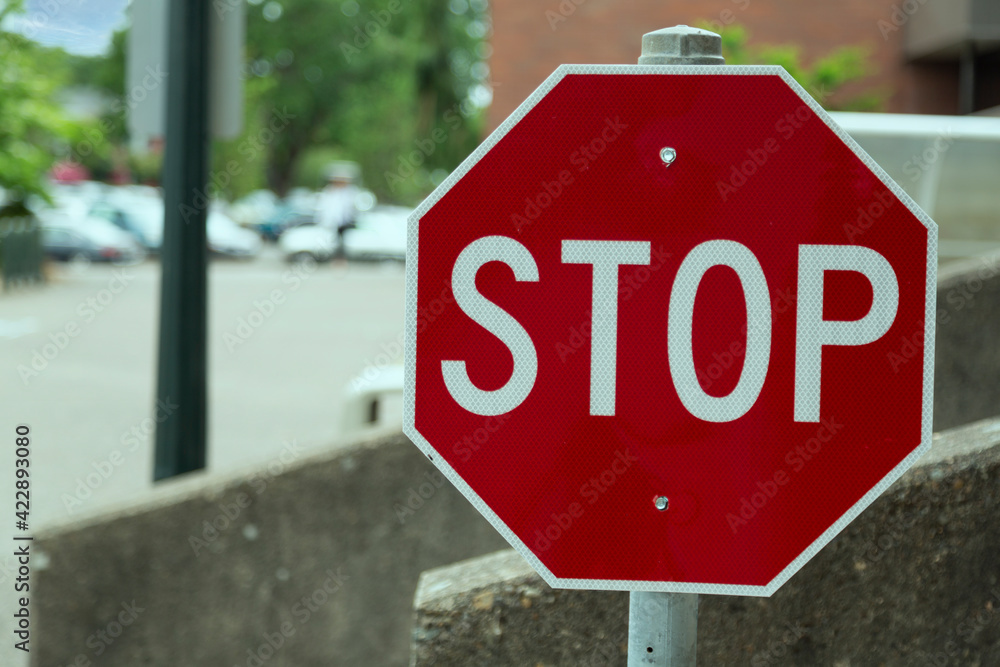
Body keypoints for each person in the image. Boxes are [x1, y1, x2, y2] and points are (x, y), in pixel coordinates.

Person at [316, 164, 360, 258]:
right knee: (331, 242)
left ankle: (341, 259)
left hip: (345, 223)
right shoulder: (328, 192)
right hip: (332, 222)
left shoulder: (351, 193)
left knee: (344, 243)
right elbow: (325, 208)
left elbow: (352, 208)